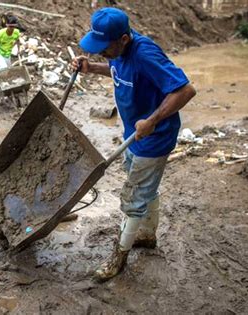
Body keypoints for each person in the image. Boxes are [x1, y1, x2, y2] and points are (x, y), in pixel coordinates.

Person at [72, 8, 196, 281]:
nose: (101, 53)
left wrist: (152, 120)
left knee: (133, 197)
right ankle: (147, 235)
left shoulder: (145, 54)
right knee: (144, 188)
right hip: (134, 134)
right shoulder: (121, 52)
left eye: (104, 49)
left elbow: (185, 90)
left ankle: (119, 256)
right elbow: (120, 69)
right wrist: (92, 68)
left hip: (153, 138)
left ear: (125, 39)